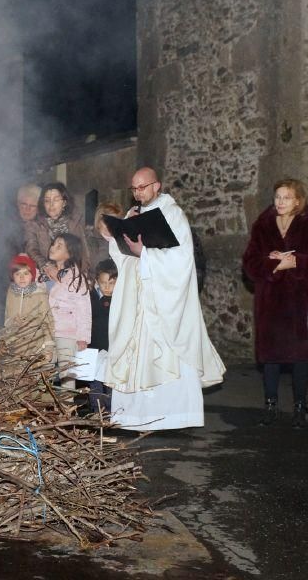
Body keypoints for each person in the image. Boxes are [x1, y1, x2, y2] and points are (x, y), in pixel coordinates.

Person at [105, 167, 225, 431]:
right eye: (133, 189)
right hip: (137, 297)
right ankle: (133, 417)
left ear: (156, 186)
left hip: (162, 301)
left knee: (166, 352)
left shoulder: (173, 214)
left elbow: (182, 260)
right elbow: (122, 253)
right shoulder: (132, 214)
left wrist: (145, 255)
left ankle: (172, 416)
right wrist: (119, 238)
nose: (137, 194)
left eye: (142, 187)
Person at [242, 179, 308, 428]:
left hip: (299, 300)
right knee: (271, 357)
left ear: (298, 201)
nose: (280, 202)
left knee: (300, 357)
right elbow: (249, 263)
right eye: (278, 196)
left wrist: (296, 261)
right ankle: (270, 406)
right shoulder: (263, 225)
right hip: (269, 301)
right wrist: (275, 264)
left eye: (286, 197)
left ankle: (299, 407)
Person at [45, 234, 91, 391]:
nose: (53, 247)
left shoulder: (76, 278)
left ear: (70, 253)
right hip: (46, 331)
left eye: (60, 246)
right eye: (54, 243)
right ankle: (44, 411)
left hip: (67, 332)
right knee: (44, 372)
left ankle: (66, 410)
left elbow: (84, 309)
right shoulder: (43, 274)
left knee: (67, 376)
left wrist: (83, 337)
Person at [2, 253, 55, 366]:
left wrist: (48, 348)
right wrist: (13, 323)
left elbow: (47, 320)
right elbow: (7, 317)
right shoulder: (11, 293)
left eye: (26, 273)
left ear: (32, 275)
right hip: (17, 346)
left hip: (36, 344)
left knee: (35, 377)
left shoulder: (39, 294)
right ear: (13, 276)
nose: (22, 277)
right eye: (17, 274)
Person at [25, 182, 88, 277]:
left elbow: (85, 252)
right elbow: (31, 249)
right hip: (47, 276)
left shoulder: (76, 222)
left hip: (75, 276)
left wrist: (87, 276)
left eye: (56, 200)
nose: (51, 204)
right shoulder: (34, 225)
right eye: (47, 201)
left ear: (64, 203)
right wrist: (46, 266)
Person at [88, 258, 117, 412]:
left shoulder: (120, 300)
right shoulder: (91, 297)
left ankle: (113, 411)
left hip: (112, 346)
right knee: (95, 382)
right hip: (94, 346)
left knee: (111, 381)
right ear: (96, 281)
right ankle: (97, 411)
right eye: (103, 282)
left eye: (111, 283)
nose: (107, 287)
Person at [88, 202, 123, 270]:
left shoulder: (123, 239)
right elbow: (92, 266)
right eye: (106, 221)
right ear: (98, 222)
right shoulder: (90, 240)